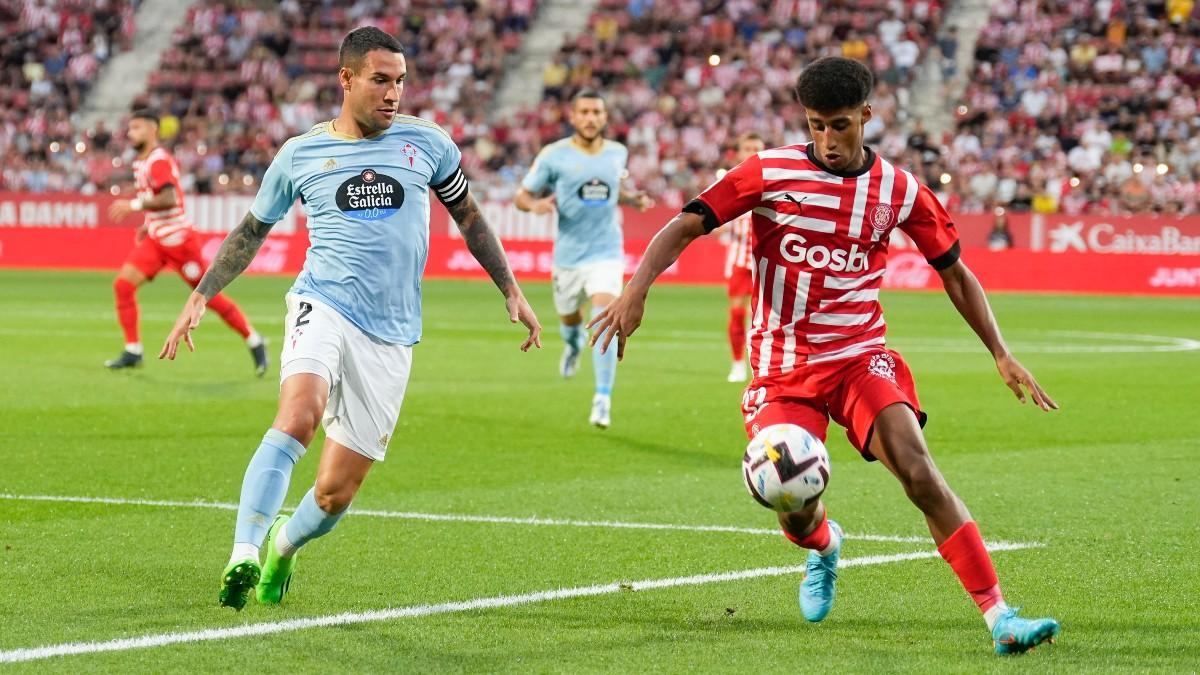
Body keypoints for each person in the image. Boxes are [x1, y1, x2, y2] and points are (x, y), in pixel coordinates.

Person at [590, 57, 1061, 655]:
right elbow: (685, 225)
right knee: (790, 500)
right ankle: (824, 546)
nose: (827, 140)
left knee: (919, 472)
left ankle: (1000, 617)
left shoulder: (898, 189)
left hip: (861, 358)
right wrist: (637, 288)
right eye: (815, 125)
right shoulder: (768, 171)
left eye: (839, 125)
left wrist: (1001, 351)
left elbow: (956, 273)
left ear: (866, 116)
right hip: (783, 372)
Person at [159, 27, 542, 611]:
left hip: (391, 333)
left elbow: (468, 216)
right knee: (298, 417)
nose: (394, 94)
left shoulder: (428, 145)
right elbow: (251, 231)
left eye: (401, 82)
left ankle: (282, 547)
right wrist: (202, 294)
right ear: (347, 79)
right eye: (381, 80)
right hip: (323, 302)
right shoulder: (300, 154)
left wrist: (510, 288)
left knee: (335, 494)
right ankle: (243, 549)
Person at [514, 90, 652, 429]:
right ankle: (573, 346)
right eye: (585, 112)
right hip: (568, 257)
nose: (591, 118)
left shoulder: (617, 152)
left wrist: (633, 201)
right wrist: (535, 206)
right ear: (573, 117)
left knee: (605, 316)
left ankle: (602, 397)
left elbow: (612, 188)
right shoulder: (554, 155)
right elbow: (522, 196)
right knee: (571, 321)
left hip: (606, 252)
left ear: (605, 118)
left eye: (597, 112)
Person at [105, 109, 267, 375]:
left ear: (151, 129)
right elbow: (159, 199)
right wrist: (148, 224)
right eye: (130, 128)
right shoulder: (141, 162)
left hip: (180, 243)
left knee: (207, 296)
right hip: (157, 241)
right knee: (123, 285)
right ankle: (133, 350)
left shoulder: (159, 160)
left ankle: (254, 340)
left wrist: (132, 205)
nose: (130, 133)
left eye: (136, 128)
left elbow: (169, 198)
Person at [715, 132, 767, 382]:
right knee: (737, 313)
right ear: (740, 151)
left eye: (756, 147)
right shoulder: (730, 181)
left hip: (768, 262)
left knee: (769, 317)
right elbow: (715, 221)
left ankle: (765, 364)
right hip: (739, 260)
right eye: (748, 147)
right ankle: (737, 363)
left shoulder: (773, 178)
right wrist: (720, 226)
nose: (752, 151)